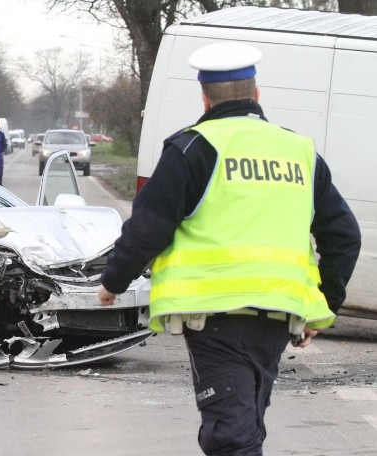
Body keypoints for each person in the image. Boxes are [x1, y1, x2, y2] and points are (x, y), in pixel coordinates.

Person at [97, 42, 360, 456]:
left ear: (204, 97)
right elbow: (344, 236)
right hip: (279, 317)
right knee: (244, 425)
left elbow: (150, 227)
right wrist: (323, 305)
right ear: (257, 96)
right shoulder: (300, 152)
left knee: (230, 436)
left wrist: (113, 280)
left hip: (215, 315)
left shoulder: (192, 148)